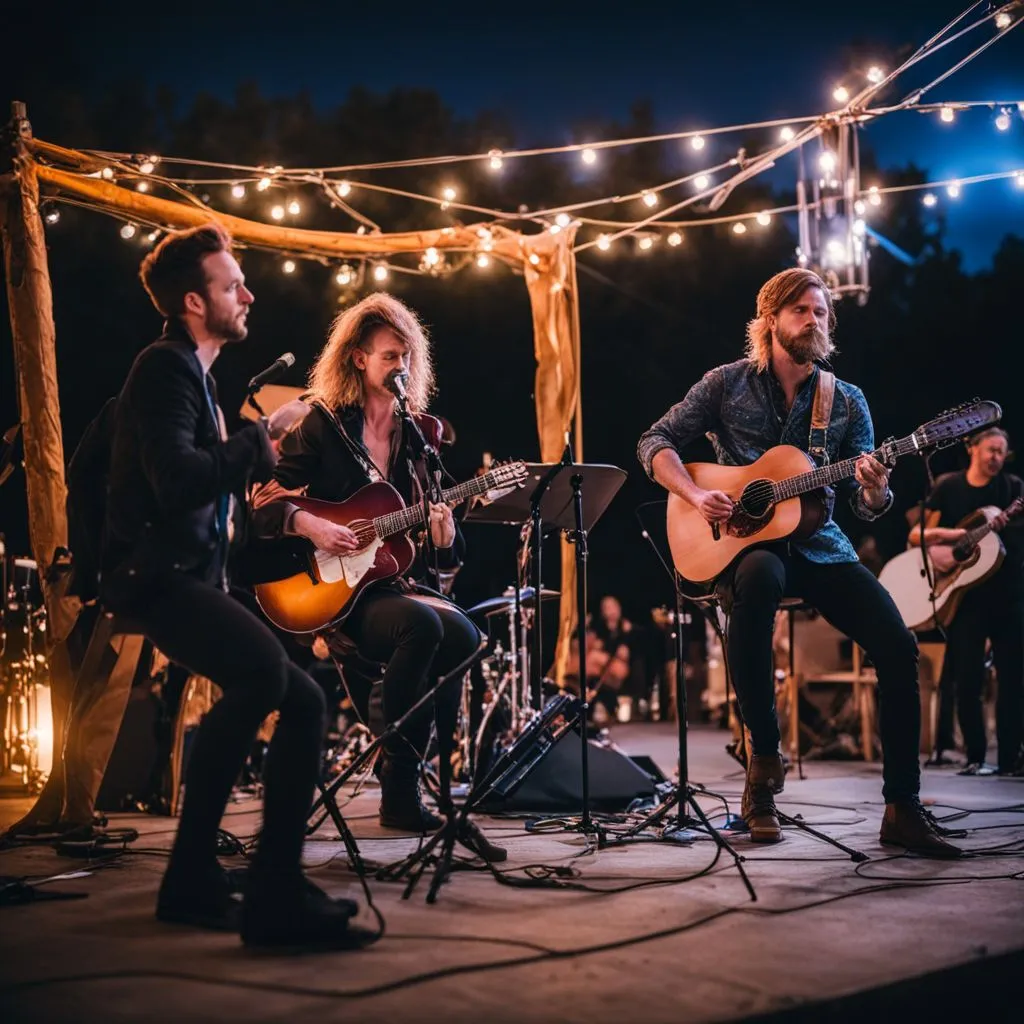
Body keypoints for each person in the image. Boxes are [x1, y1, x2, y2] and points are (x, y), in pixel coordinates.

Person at [637, 267, 960, 857]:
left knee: (897, 645)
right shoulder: (725, 384)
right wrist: (693, 494)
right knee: (759, 577)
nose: (814, 322)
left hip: (819, 542)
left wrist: (876, 485)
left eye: (821, 313)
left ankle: (903, 807)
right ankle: (763, 767)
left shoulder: (846, 400)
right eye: (802, 312)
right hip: (743, 541)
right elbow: (653, 443)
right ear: (769, 321)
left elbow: (869, 509)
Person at [100, 224, 362, 947]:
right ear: (194, 301)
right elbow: (179, 481)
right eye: (230, 284)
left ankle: (204, 879)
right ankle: (260, 891)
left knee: (299, 697)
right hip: (160, 580)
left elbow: (208, 503)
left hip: (192, 578)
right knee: (263, 684)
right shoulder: (164, 370)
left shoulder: (196, 377)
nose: (247, 294)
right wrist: (260, 441)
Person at [251, 292, 504, 860]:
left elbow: (442, 553)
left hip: (388, 579)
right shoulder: (321, 426)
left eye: (407, 357)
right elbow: (263, 501)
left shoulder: (419, 438)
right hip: (330, 588)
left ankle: (403, 758)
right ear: (359, 360)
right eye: (390, 356)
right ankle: (398, 777)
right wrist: (312, 525)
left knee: (464, 635)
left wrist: (443, 535)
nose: (400, 368)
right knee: (423, 625)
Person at [909, 427, 1024, 775]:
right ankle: (976, 757)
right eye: (990, 449)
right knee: (967, 680)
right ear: (972, 448)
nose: (996, 457)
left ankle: (1009, 760)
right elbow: (917, 535)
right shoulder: (948, 486)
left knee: (1013, 680)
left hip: (1008, 597)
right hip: (964, 598)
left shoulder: (1013, 489)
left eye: (1002, 452)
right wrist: (958, 537)